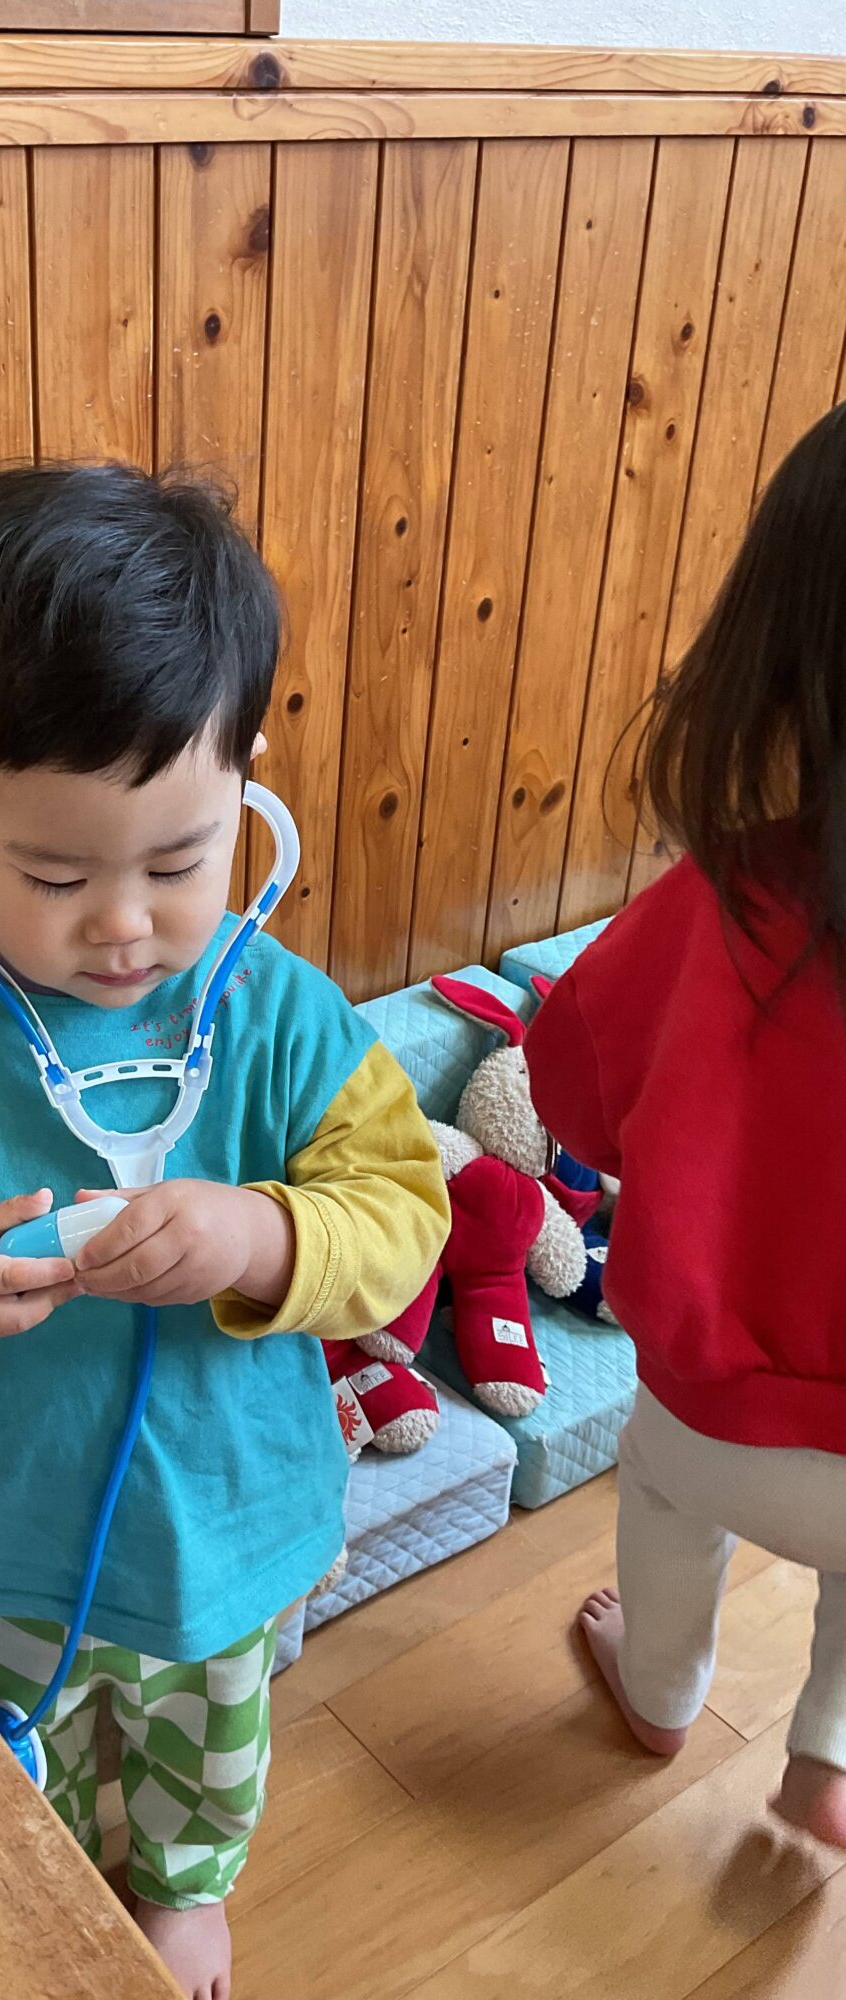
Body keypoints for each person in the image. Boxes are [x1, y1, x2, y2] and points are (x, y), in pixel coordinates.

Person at [0, 463, 449, 1998]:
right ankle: (39, 1889)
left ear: (246, 783)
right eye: (53, 874)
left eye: (180, 863)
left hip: (218, 1527)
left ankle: (183, 1894)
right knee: (4, 1762)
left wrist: (262, 1239)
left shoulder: (280, 1019)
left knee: (204, 1741)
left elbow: (403, 1216)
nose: (124, 923)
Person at [526, 403, 846, 1851]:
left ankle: (659, 1690)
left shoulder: (719, 904)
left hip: (715, 1415)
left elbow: (571, 1094)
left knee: (660, 1498)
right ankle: (828, 1756)